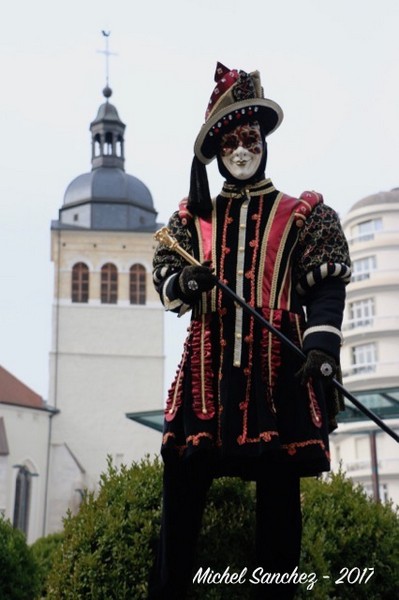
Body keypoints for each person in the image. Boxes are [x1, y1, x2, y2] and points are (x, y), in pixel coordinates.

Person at [149, 62, 351, 600]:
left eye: (250, 138)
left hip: (277, 372)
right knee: (182, 496)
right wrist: (189, 281)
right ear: (215, 154)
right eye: (230, 143)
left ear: (263, 142)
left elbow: (326, 286)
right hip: (208, 376)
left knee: (279, 511)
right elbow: (165, 282)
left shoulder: (301, 215)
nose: (241, 151)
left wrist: (321, 343)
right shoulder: (192, 221)